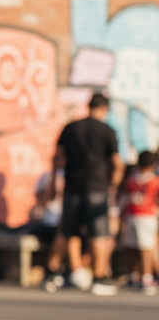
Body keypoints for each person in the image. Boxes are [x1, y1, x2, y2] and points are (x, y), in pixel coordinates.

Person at [52, 92, 123, 295]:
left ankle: (75, 271)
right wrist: (113, 186)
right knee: (99, 233)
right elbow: (117, 163)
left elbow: (57, 157)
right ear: (104, 109)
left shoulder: (71, 127)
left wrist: (51, 183)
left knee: (70, 230)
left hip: (72, 186)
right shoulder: (107, 130)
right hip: (97, 186)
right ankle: (99, 276)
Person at [119, 150, 159, 294]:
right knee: (137, 247)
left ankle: (140, 277)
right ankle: (139, 277)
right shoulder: (138, 180)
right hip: (139, 215)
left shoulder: (147, 180)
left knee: (140, 247)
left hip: (140, 215)